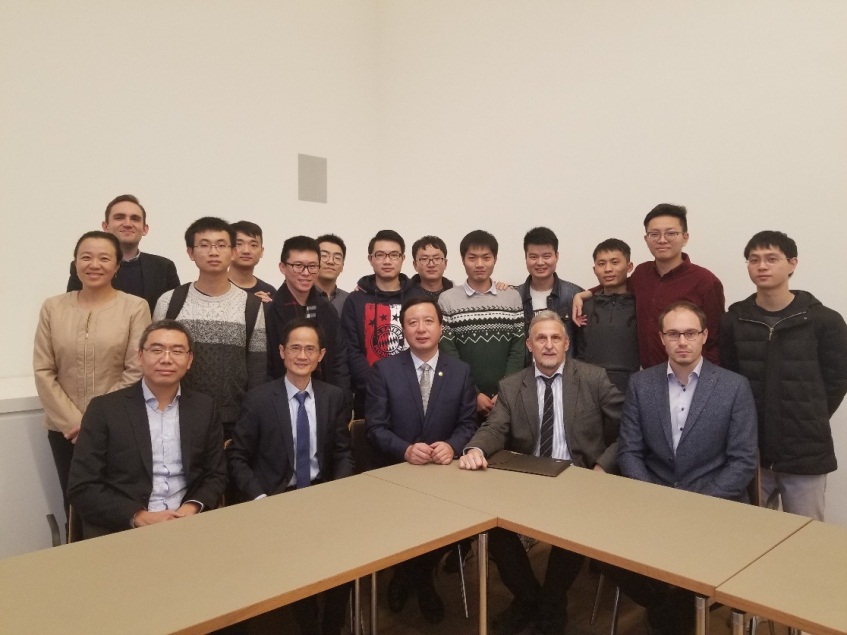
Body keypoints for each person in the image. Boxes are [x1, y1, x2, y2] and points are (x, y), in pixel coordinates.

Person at [459, 310, 623, 635]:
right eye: (541, 338)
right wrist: (475, 449)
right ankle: (531, 597)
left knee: (575, 526)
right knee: (493, 526)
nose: (548, 345)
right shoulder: (511, 386)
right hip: (529, 479)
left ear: (566, 344)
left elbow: (630, 427)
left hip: (579, 479)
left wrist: (603, 465)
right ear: (529, 345)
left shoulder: (593, 378)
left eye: (555, 338)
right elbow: (494, 428)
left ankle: (549, 601)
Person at [616, 301, 757, 634]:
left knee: (703, 571)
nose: (682, 341)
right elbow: (629, 451)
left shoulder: (734, 386)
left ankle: (670, 613)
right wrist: (656, 497)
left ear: (704, 336)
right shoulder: (641, 384)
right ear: (661, 338)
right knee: (602, 552)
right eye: (674, 334)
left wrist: (695, 503)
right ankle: (670, 606)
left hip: (715, 506)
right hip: (654, 500)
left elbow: (743, 461)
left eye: (690, 333)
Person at [229, 318, 353, 635]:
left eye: (310, 349)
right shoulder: (258, 399)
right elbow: (237, 457)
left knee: (348, 555)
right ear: (282, 352)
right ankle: (308, 625)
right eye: (295, 348)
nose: (302, 355)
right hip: (275, 499)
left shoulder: (333, 396)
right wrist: (260, 498)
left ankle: (333, 626)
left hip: (322, 496)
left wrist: (338, 493)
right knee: (297, 562)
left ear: (321, 355)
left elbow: (342, 452)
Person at [720, 231, 847, 521]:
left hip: (805, 452)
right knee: (749, 534)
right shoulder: (734, 320)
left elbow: (837, 381)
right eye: (754, 260)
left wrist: (809, 415)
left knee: (805, 537)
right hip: (751, 452)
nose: (762, 266)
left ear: (792, 263)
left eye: (771, 259)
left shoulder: (825, 321)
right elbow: (729, 379)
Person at [366, 297, 477, 624]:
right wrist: (404, 449)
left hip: (445, 476)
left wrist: (452, 446)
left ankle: (409, 576)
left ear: (441, 328)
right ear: (403, 329)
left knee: (452, 524)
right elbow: (374, 427)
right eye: (412, 322)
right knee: (400, 523)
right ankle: (423, 584)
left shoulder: (460, 371)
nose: (421, 328)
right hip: (397, 474)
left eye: (428, 321)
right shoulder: (384, 370)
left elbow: (468, 424)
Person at [35, 230, 151, 540]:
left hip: (118, 428)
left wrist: (96, 422)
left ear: (117, 266)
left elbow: (135, 368)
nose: (94, 264)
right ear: (75, 264)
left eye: (104, 258)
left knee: (116, 506)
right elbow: (44, 369)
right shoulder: (53, 307)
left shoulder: (135, 307)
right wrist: (74, 423)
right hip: (65, 430)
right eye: (86, 257)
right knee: (73, 503)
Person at [67, 320, 226, 539]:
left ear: (189, 360)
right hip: (123, 529)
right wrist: (140, 517)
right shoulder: (104, 409)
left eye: (177, 351)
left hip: (189, 525)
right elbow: (82, 486)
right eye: (157, 350)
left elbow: (216, 474)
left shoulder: (204, 408)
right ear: (140, 356)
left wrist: (190, 509)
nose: (166, 359)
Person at [153, 217, 266, 441]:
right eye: (204, 245)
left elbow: (257, 369)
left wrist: (251, 421)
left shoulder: (251, 305)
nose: (213, 252)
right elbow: (154, 360)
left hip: (233, 422)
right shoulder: (170, 301)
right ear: (190, 252)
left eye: (221, 245)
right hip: (176, 416)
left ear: (233, 252)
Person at [574, 204, 725, 368]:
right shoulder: (642, 273)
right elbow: (618, 283)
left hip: (688, 374)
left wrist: (709, 379)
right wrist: (584, 294)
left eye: (671, 233)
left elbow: (715, 341)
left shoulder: (705, 281)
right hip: (648, 375)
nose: (662, 240)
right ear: (646, 239)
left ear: (685, 237)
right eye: (654, 234)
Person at [438, 230, 525, 418]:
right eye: (472, 258)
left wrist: (505, 391)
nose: (479, 264)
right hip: (463, 399)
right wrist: (473, 393)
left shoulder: (511, 297)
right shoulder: (447, 299)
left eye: (486, 258)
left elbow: (518, 350)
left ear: (495, 259)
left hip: (507, 398)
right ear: (463, 260)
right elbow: (448, 352)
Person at [67, 194, 180, 314]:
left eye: (135, 219)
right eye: (119, 218)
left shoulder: (164, 267)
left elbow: (175, 315)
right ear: (106, 226)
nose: (127, 224)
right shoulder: (86, 267)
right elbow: (72, 310)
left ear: (145, 229)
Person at [341, 229, 413, 416]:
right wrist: (376, 387)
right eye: (380, 255)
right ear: (370, 259)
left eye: (394, 255)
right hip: (369, 397)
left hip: (413, 395)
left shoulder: (417, 298)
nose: (387, 261)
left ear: (403, 258)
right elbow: (352, 350)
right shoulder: (355, 300)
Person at [266, 236, 349, 396]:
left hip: (324, 396)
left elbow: (339, 362)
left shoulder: (327, 310)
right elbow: (264, 366)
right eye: (298, 266)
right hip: (280, 397)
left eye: (312, 266)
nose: (306, 273)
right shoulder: (269, 310)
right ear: (282, 267)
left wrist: (342, 402)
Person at [573, 238, 639, 393]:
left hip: (634, 388)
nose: (608, 269)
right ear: (594, 269)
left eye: (615, 262)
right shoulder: (584, 307)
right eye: (601, 264)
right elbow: (579, 353)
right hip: (592, 389)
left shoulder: (641, 305)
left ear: (629, 266)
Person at [516, 227, 582, 361]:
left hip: (566, 372)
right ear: (525, 258)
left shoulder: (574, 295)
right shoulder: (515, 297)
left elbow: (583, 345)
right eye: (533, 257)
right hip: (527, 372)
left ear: (557, 256)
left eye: (546, 256)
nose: (540, 262)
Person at [229, 220, 276, 302]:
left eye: (253, 245)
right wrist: (251, 304)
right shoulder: (215, 287)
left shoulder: (269, 291)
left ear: (261, 251)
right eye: (239, 244)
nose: (246, 251)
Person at [408, 235, 454, 299]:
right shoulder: (405, 295)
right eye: (424, 259)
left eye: (437, 258)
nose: (431, 265)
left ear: (445, 263)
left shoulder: (456, 294)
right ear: (415, 264)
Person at [315, 233, 350, 316]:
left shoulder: (349, 300)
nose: (330, 261)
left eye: (337, 258)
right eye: (324, 256)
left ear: (342, 266)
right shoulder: (302, 297)